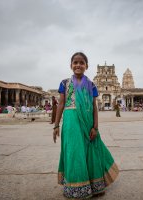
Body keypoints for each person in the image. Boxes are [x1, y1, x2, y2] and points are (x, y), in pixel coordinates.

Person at [53, 52, 119, 198]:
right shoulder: (65, 83)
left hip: (88, 122)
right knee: (73, 152)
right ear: (71, 65)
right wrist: (56, 125)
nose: (78, 65)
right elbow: (61, 104)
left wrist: (95, 127)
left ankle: (95, 186)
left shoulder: (91, 84)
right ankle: (74, 187)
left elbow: (94, 107)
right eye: (75, 62)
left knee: (91, 152)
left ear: (86, 66)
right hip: (70, 122)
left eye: (81, 62)